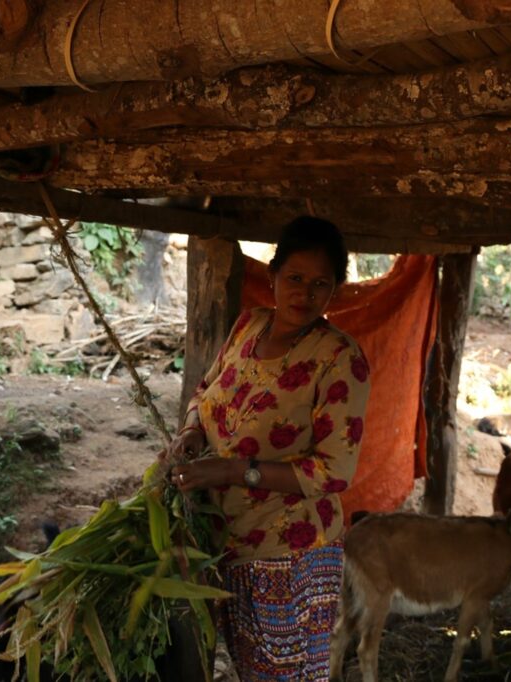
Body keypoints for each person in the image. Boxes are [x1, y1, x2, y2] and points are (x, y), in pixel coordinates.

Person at [166, 216, 371, 681]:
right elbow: (204, 391)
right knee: (247, 666)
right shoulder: (249, 325)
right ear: (273, 275)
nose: (305, 293)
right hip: (224, 539)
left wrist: (232, 471)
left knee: (285, 673)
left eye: (321, 284)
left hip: (289, 554)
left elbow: (333, 471)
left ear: (335, 291)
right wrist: (194, 431)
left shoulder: (339, 359)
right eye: (295, 278)